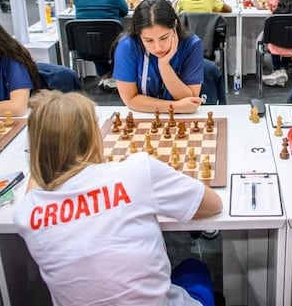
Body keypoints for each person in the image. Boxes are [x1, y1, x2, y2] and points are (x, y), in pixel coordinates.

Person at [14, 90, 223, 306]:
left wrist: (44, 154)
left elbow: (36, 185)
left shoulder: (26, 213)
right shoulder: (136, 171)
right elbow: (213, 205)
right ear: (93, 136)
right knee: (193, 269)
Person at [113, 0, 207, 113]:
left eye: (164, 38)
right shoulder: (127, 46)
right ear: (138, 33)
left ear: (174, 26)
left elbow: (189, 100)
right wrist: (175, 107)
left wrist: (164, 65)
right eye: (148, 40)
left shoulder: (192, 45)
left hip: (182, 119)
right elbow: (130, 99)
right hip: (144, 115)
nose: (157, 47)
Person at [73, 0, 129, 90]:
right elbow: (125, 11)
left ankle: (106, 74)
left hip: (84, 47)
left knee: (93, 34)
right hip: (111, 45)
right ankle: (112, 74)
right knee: (116, 38)